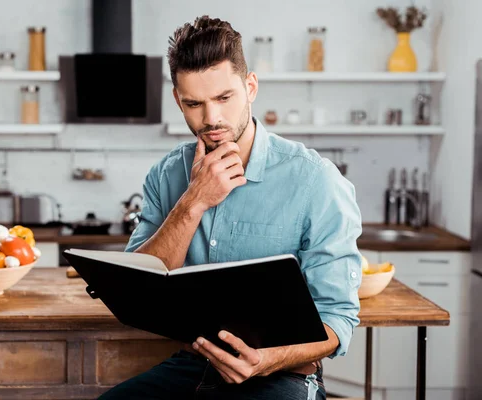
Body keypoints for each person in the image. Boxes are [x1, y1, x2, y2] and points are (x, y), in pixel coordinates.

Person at [99, 15, 362, 400]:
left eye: (224, 98)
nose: (211, 119)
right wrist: (193, 202)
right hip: (193, 368)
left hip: (283, 376)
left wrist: (265, 360)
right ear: (178, 100)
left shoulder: (315, 180)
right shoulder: (167, 175)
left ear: (250, 86)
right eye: (194, 103)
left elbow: (338, 320)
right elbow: (139, 292)